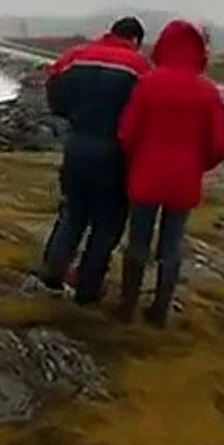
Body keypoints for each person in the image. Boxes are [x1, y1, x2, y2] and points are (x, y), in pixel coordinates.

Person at [117, 19, 224, 327]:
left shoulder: (148, 83)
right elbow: (221, 145)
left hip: (146, 175)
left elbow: (127, 134)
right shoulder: (209, 93)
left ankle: (126, 306)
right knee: (171, 246)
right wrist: (198, 164)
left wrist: (137, 160)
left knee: (138, 242)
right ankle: (159, 310)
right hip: (184, 180)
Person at [39, 16, 151, 304]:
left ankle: (53, 269)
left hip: (76, 143)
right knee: (107, 221)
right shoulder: (139, 67)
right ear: (135, 40)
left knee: (73, 210)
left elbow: (52, 78)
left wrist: (65, 111)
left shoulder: (78, 55)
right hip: (114, 150)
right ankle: (88, 286)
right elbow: (146, 108)